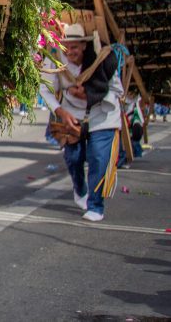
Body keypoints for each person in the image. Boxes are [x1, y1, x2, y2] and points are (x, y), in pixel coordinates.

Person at [39, 22, 124, 222]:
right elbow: (45, 89)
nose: (70, 51)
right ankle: (79, 189)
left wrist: (90, 93)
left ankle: (95, 205)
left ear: (84, 45)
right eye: (66, 47)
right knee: (74, 158)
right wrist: (61, 112)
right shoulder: (55, 58)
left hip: (102, 115)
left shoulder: (103, 57)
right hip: (71, 115)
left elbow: (117, 90)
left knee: (98, 159)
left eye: (75, 47)